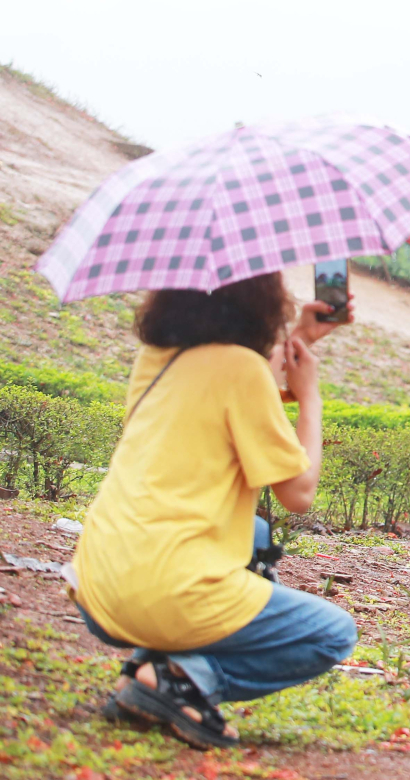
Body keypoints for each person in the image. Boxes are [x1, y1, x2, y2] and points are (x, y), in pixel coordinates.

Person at [72, 275, 358, 750]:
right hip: (163, 589)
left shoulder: (157, 360)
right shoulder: (240, 370)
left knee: (256, 532)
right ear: (260, 304)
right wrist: (311, 396)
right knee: (331, 634)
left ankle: (148, 668)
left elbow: (243, 381)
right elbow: (299, 492)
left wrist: (302, 339)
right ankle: (180, 678)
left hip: (97, 586)